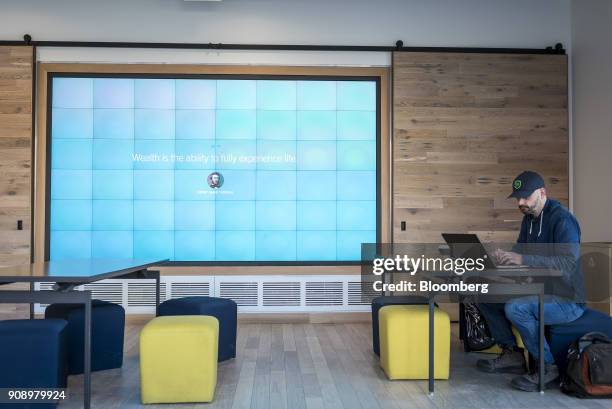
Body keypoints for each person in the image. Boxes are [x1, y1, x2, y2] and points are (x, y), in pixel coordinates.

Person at [476, 170, 586, 392]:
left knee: (516, 308)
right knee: (484, 294)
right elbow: (520, 252)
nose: (521, 202)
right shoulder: (529, 219)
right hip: (536, 290)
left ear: (542, 192)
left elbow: (567, 263)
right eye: (518, 197)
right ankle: (512, 356)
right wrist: (504, 258)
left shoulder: (563, 220)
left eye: (526, 197)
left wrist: (522, 258)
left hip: (567, 300)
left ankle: (548, 367)